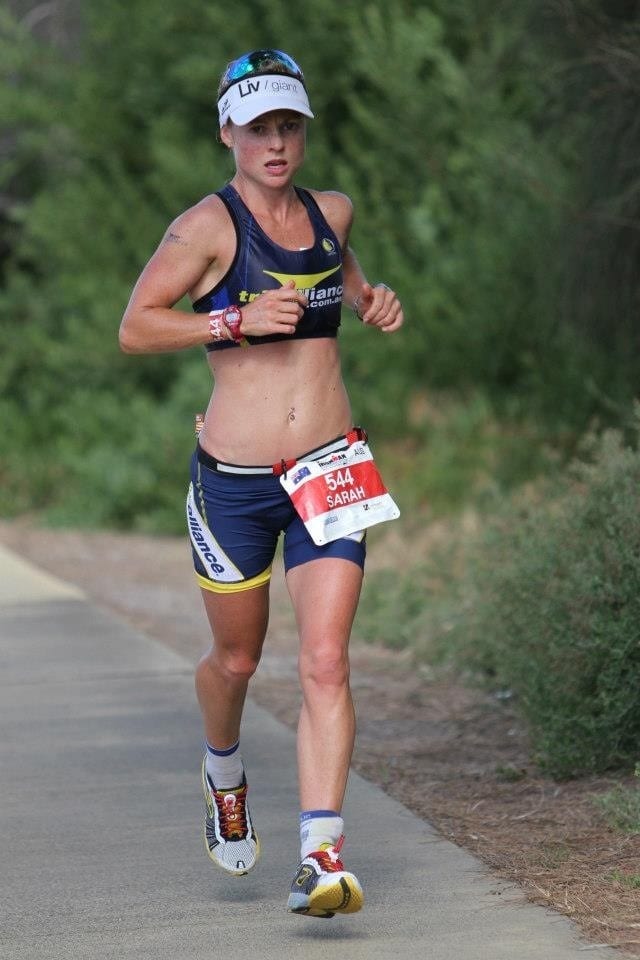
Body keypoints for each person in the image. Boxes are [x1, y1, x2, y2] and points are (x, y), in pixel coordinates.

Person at [119, 48, 404, 918]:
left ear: (303, 131)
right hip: (236, 483)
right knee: (238, 659)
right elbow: (136, 327)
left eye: (288, 126)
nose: (274, 143)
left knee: (326, 659)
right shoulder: (205, 229)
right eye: (256, 128)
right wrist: (233, 320)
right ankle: (223, 770)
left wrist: (372, 301)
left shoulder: (333, 212)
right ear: (227, 134)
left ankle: (321, 856)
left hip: (330, 469)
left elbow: (345, 279)